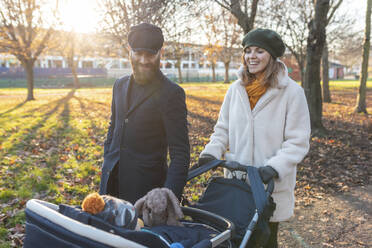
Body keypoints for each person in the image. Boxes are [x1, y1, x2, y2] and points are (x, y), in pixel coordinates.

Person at [198, 28, 311, 247]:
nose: (252, 56)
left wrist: (274, 168)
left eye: (259, 51)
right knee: (236, 239)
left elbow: (298, 141)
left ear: (271, 56)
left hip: (269, 186)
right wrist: (211, 152)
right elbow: (222, 129)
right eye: (248, 51)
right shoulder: (235, 90)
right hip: (237, 184)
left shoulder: (292, 93)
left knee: (265, 241)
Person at [99, 23, 190, 205]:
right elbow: (114, 126)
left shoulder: (172, 93)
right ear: (128, 51)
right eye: (138, 53)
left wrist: (168, 196)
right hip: (110, 184)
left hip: (146, 194)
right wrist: (108, 156)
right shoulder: (119, 85)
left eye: (150, 54)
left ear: (160, 53)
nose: (143, 60)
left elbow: (180, 153)